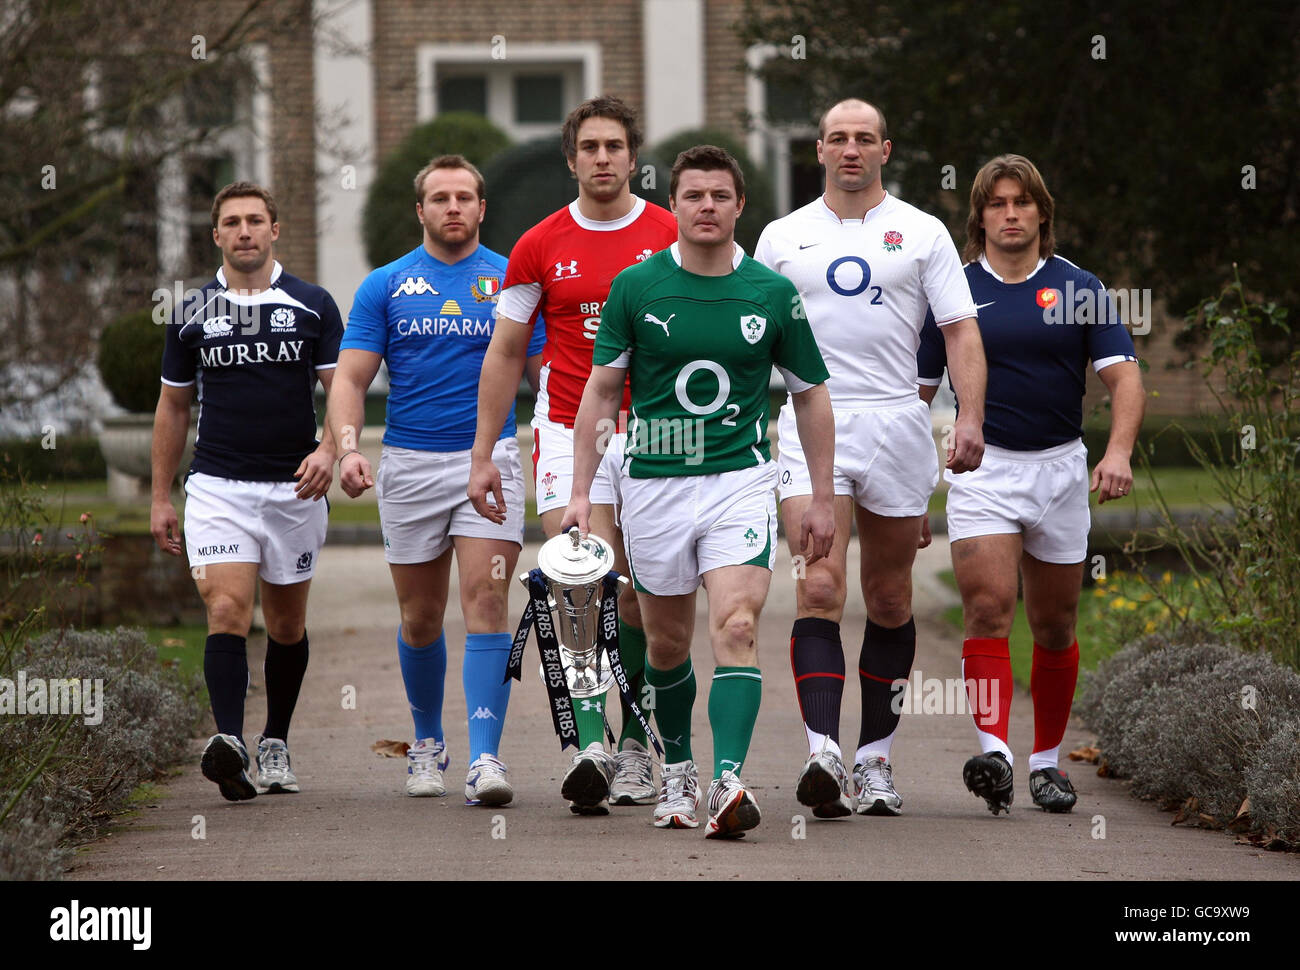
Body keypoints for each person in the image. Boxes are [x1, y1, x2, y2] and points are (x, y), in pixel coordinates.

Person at [563, 145, 836, 838]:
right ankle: (678, 767)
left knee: (738, 626)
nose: (707, 206)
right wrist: (579, 493)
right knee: (665, 644)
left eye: (720, 195)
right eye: (693, 196)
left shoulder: (771, 294)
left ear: (741, 205)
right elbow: (599, 392)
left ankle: (727, 778)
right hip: (654, 484)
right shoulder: (638, 286)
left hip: (739, 481)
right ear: (674, 206)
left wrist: (823, 497)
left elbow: (811, 398)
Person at [753, 99, 987, 818]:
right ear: (818, 150)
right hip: (808, 419)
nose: (849, 149)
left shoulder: (923, 232)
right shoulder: (781, 236)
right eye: (836, 139)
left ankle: (874, 760)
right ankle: (823, 752)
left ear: (884, 149)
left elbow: (960, 332)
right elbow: (746, 328)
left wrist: (969, 417)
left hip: (897, 422)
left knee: (888, 597)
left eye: (863, 139)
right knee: (819, 588)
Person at [467, 95, 677, 815]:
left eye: (614, 146)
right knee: (576, 582)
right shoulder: (536, 244)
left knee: (641, 598)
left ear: (633, 156)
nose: (602, 159)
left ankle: (633, 749)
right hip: (564, 428)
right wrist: (483, 453)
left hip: (656, 433)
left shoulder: (672, 233)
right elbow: (502, 354)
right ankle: (589, 742)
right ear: (571, 158)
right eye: (589, 147)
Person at [917, 154, 1143, 814]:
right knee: (988, 608)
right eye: (996, 203)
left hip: (1060, 469)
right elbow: (918, 391)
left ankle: (1047, 762)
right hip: (984, 470)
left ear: (1042, 212)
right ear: (980, 215)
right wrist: (905, 476)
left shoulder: (1078, 287)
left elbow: (1124, 378)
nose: (1010, 213)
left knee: (1053, 623)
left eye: (1022, 202)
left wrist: (1119, 452)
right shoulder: (954, 290)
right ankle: (995, 751)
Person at [326, 155, 543, 806]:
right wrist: (345, 449)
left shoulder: (512, 280)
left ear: (482, 209)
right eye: (440, 198)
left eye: (465, 197)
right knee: (420, 619)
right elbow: (349, 379)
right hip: (410, 466)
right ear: (420, 210)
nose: (453, 207)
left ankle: (485, 760)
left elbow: (545, 377)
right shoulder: (386, 285)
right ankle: (427, 743)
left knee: (486, 603)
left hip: (491, 462)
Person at [150, 181, 342, 801]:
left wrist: (331, 450)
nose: (244, 232)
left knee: (286, 625)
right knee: (228, 610)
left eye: (255, 220)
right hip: (218, 486)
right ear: (216, 235)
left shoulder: (313, 304)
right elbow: (173, 406)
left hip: (295, 488)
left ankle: (275, 742)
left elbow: (342, 391)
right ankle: (229, 743)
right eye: (231, 222)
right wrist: (160, 496)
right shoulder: (190, 311)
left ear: (275, 229)